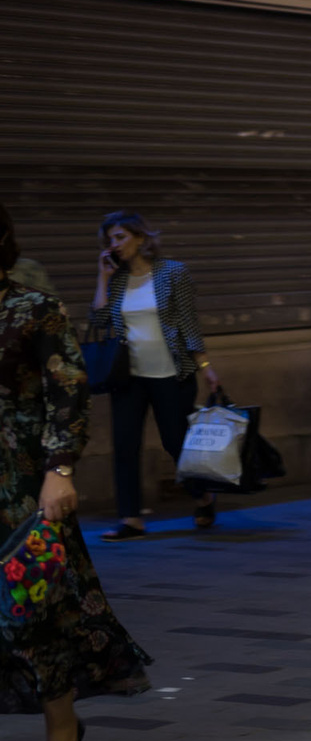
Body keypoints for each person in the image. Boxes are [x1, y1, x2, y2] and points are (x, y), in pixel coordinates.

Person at [2, 203, 157, 741]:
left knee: (36, 605)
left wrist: (59, 469)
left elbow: (68, 391)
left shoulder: (31, 308)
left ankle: (61, 724)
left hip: (19, 478)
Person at [87, 211, 217, 541]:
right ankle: (131, 519)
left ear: (140, 238)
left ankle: (202, 495)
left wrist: (205, 367)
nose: (113, 245)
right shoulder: (116, 279)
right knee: (125, 445)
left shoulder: (174, 273)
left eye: (120, 237)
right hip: (128, 376)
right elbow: (100, 322)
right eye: (109, 240)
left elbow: (189, 324)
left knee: (177, 443)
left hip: (171, 374)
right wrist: (102, 278)